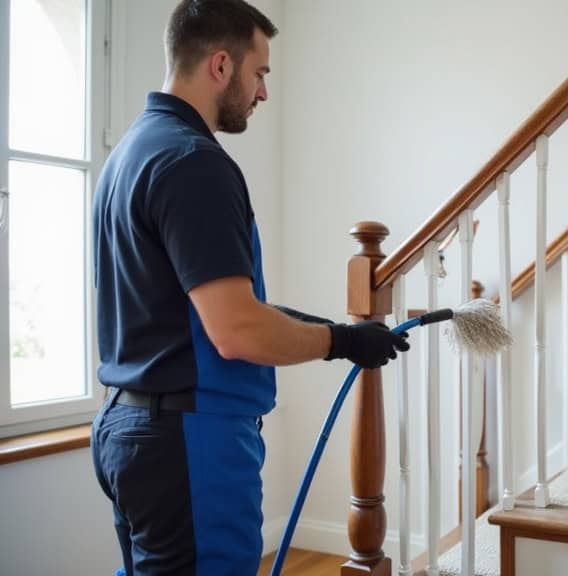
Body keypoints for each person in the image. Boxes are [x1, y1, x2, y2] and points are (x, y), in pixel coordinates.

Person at [89, 1, 409, 574]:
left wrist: (335, 331)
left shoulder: (131, 154)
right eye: (259, 72)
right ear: (220, 65)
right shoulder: (194, 162)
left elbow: (213, 309)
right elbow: (236, 331)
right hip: (192, 437)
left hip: (128, 427)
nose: (263, 92)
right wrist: (340, 342)